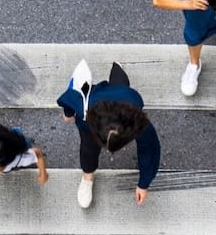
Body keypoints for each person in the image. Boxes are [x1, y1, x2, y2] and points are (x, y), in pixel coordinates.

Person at [56, 60, 160, 208]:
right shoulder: (134, 102)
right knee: (88, 149)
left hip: (110, 102)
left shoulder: (136, 119)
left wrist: (68, 114)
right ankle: (88, 176)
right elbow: (150, 149)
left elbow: (67, 98)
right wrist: (143, 184)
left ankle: (88, 176)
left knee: (88, 147)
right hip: (119, 96)